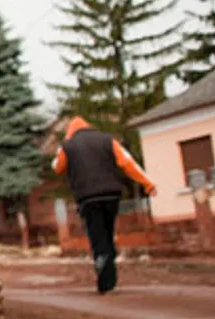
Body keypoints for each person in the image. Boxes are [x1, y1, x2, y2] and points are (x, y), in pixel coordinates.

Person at [51, 116, 158, 294]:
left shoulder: (68, 146)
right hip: (111, 195)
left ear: (71, 131)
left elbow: (57, 167)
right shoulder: (107, 140)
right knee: (107, 231)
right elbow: (128, 163)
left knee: (97, 234)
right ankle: (108, 266)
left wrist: (66, 146)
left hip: (87, 197)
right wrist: (148, 183)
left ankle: (103, 268)